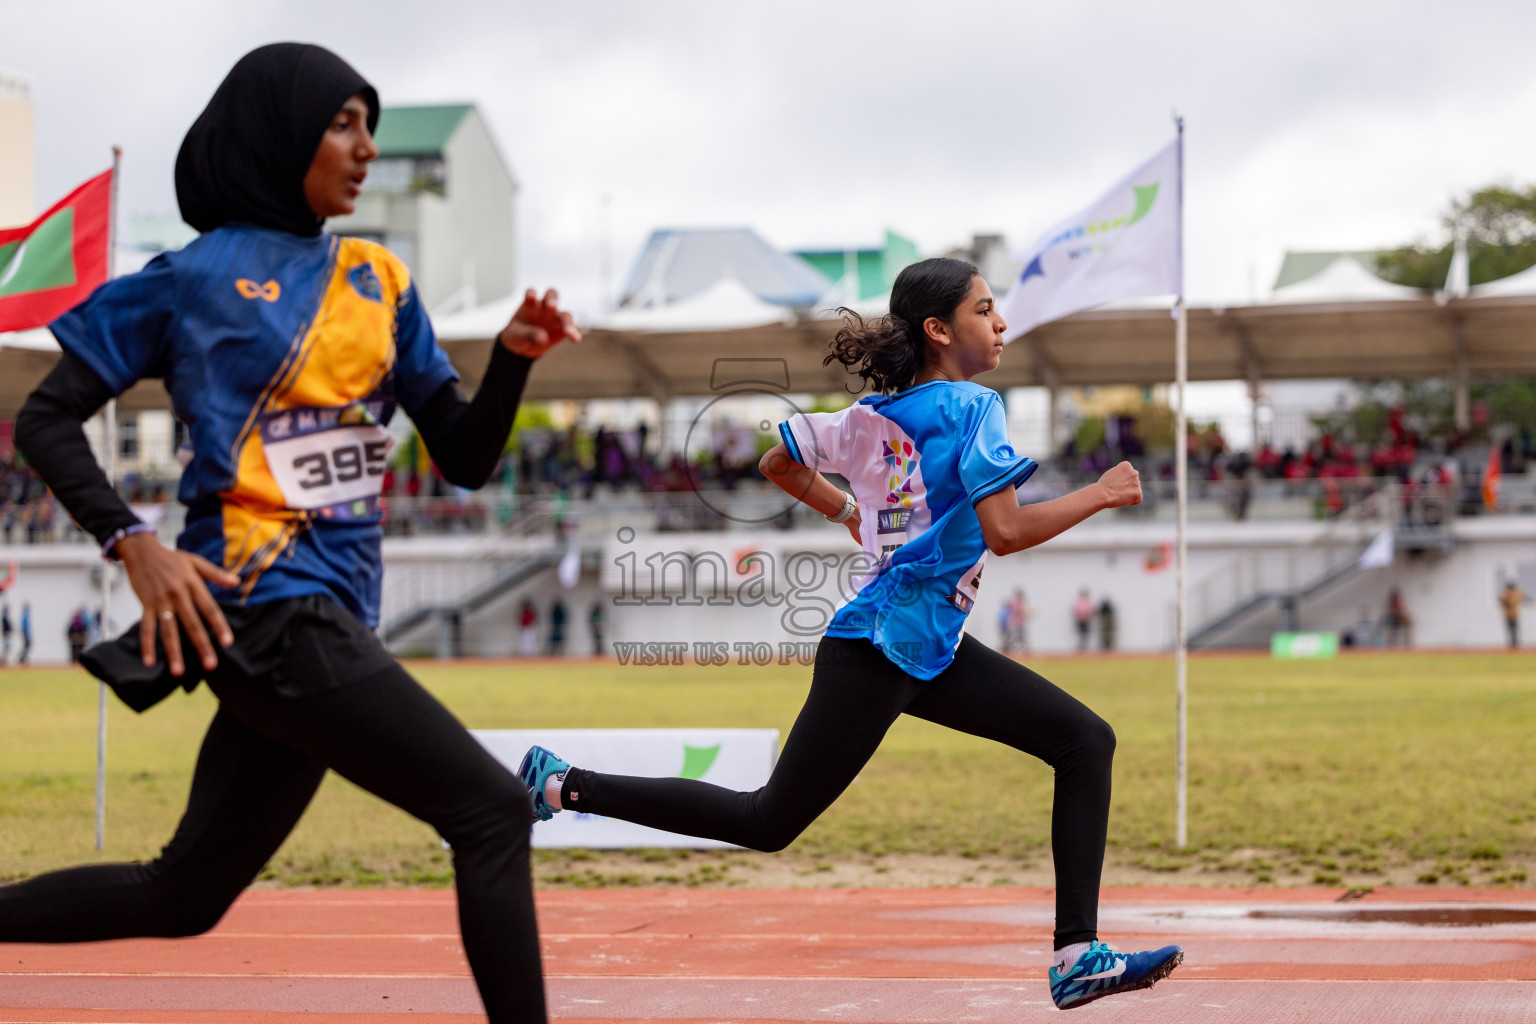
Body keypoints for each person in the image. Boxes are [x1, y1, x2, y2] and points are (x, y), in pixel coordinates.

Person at [0, 44, 579, 1024]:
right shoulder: (193, 277)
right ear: (279, 134)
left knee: (181, 896)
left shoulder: (378, 278)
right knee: (488, 811)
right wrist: (131, 543)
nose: (366, 149)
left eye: (372, 126)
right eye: (343, 124)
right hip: (264, 607)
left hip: (323, 621)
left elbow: (468, 457)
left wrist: (513, 365)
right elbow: (45, 420)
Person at [517, 258, 1182, 1011]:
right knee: (767, 821)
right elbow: (1005, 530)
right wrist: (1099, 493)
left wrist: (844, 511)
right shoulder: (973, 408)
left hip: (927, 649)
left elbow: (778, 461)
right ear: (939, 330)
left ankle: (1075, 955)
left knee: (1084, 740)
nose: (1001, 325)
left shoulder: (867, 420)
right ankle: (560, 782)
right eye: (985, 310)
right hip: (876, 648)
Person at [1500, 579, 1526, 648]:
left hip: (1514, 614)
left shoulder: (1516, 594)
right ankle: (1511, 643)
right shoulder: (1506, 594)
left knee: (1514, 629)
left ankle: (1515, 643)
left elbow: (1521, 598)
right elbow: (1503, 600)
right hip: (1509, 615)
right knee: (1510, 629)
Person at [1072, 588, 1094, 653]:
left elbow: (1090, 611)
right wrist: (1080, 617)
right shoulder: (1080, 602)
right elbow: (1076, 610)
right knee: (1081, 634)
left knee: (1085, 634)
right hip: (1081, 620)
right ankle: (1081, 647)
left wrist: (1087, 617)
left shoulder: (1087, 602)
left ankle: (1084, 647)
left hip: (1086, 620)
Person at [18, 601, 30, 665]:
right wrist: (26, 634)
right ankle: (21, 658)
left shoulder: (25, 615)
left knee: (26, 646)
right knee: (26, 646)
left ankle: (22, 658)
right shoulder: (25, 615)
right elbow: (24, 627)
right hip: (26, 634)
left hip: (26, 634)